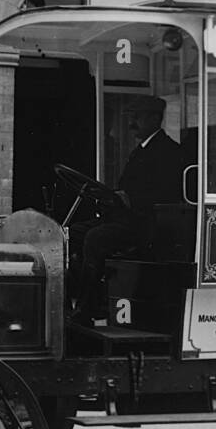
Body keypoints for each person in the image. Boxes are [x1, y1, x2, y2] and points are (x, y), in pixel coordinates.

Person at [70, 96, 186, 322]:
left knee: (96, 238)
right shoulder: (143, 150)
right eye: (132, 117)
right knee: (75, 232)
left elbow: (165, 193)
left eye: (138, 117)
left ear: (155, 118)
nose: (133, 123)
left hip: (148, 225)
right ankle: (82, 298)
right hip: (129, 219)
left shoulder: (167, 151)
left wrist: (129, 199)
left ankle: (88, 308)